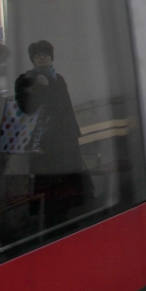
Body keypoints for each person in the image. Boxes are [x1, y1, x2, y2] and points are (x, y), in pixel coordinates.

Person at [16, 40, 91, 226]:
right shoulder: (25, 79)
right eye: (38, 55)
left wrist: (74, 134)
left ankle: (69, 222)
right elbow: (26, 109)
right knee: (51, 189)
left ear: (51, 58)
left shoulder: (59, 78)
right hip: (45, 145)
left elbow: (67, 109)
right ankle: (54, 226)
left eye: (46, 55)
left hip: (65, 140)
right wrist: (40, 86)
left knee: (70, 187)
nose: (42, 58)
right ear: (32, 59)